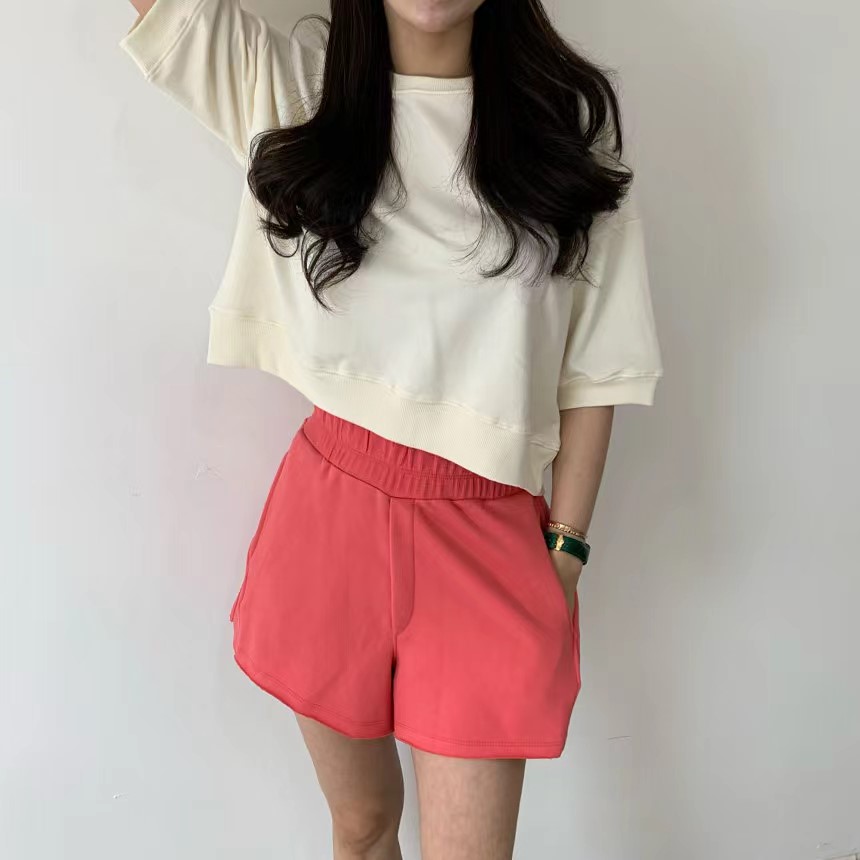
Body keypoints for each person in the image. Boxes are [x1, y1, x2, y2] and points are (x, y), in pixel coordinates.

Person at [118, 0, 663, 857]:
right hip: (329, 516)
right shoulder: (294, 93)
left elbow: (598, 369)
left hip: (489, 535)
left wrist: (566, 552)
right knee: (364, 827)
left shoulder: (564, 136)